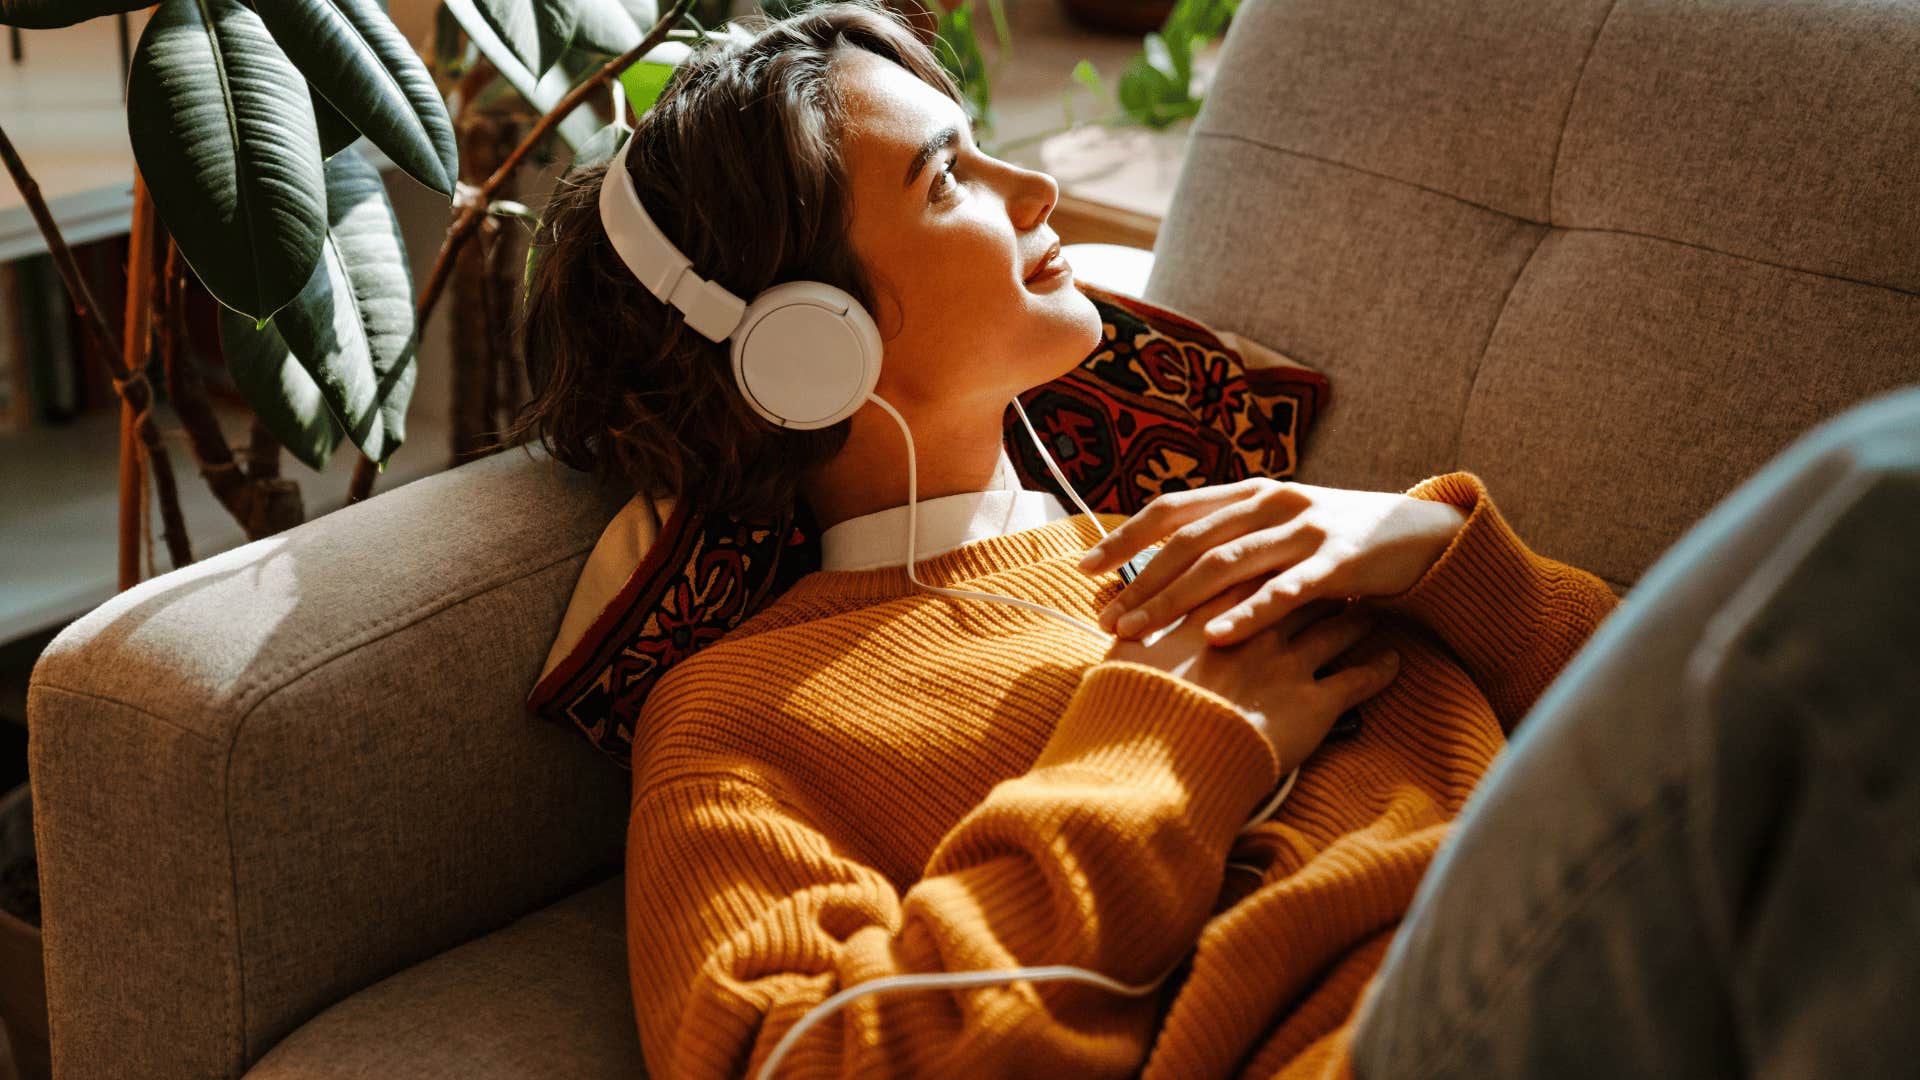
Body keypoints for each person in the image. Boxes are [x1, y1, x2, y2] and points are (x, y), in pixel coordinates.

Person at [493, 2, 1751, 1076]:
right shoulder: (737, 720)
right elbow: (793, 1055)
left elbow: (1707, 731)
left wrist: (1436, 549)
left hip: (1685, 929)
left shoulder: (1220, 523)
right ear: (810, 346)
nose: (1035, 189)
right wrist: (1165, 751)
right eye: (950, 178)